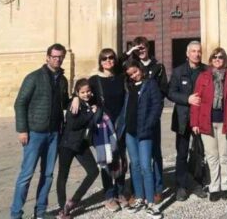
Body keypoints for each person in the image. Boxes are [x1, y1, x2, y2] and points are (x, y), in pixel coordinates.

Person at [11, 44, 70, 219]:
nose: (57, 59)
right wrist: (22, 130)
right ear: (47, 57)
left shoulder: (62, 80)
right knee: (26, 175)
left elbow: (64, 102)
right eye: (54, 56)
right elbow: (20, 103)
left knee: (48, 174)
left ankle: (41, 212)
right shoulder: (34, 77)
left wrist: (76, 99)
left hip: (54, 134)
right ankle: (16, 214)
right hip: (35, 133)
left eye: (60, 57)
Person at [69, 49, 128, 211]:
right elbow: (82, 91)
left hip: (120, 124)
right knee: (107, 161)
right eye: (104, 58)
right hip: (103, 127)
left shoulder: (121, 77)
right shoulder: (94, 80)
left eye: (111, 58)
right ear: (100, 61)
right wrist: (75, 97)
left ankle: (120, 192)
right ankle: (109, 196)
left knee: (121, 160)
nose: (108, 61)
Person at [190, 48, 227, 201]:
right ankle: (214, 187)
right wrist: (194, 123)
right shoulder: (203, 76)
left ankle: (226, 186)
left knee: (225, 156)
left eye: (220, 57)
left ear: (224, 59)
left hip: (226, 122)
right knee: (212, 157)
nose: (217, 59)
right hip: (206, 122)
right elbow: (196, 100)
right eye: (214, 57)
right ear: (211, 60)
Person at [125, 37, 167, 202]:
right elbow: (120, 67)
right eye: (137, 48)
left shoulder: (158, 67)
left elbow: (162, 91)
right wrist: (128, 52)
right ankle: (137, 191)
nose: (140, 50)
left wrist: (153, 115)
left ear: (148, 48)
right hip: (135, 121)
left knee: (155, 153)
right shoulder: (131, 67)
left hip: (151, 118)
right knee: (136, 160)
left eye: (143, 47)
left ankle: (157, 189)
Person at [167, 40, 209, 201]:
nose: (196, 54)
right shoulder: (178, 72)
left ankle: (198, 184)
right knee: (182, 154)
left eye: (199, 51)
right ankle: (181, 186)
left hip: (201, 118)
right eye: (193, 51)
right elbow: (171, 93)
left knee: (199, 153)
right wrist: (187, 99)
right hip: (182, 119)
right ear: (187, 53)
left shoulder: (207, 70)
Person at [121, 64, 164, 218]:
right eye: (130, 74)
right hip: (130, 132)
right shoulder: (129, 87)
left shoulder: (150, 84)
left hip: (144, 132)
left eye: (135, 71)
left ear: (141, 69)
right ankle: (139, 198)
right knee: (135, 165)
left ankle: (151, 203)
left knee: (146, 166)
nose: (134, 75)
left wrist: (149, 125)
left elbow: (157, 105)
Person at [56, 79, 100, 219]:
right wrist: (90, 113)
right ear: (77, 92)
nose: (86, 94)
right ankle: (62, 209)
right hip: (68, 144)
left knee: (93, 171)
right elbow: (74, 124)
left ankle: (74, 201)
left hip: (81, 144)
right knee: (63, 175)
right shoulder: (74, 104)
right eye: (82, 92)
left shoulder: (89, 103)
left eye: (88, 91)